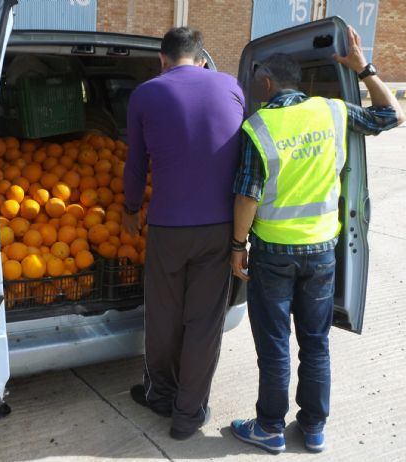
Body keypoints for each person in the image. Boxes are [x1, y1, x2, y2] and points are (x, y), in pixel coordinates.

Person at [229, 26, 405, 454]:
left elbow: (247, 195)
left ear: (267, 83)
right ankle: (313, 428)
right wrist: (363, 68)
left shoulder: (259, 126)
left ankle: (270, 427)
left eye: (257, 81)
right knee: (315, 343)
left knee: (274, 346)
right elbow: (393, 115)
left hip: (272, 255)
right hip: (323, 254)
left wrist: (237, 248)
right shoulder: (333, 112)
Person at [123, 26, 245, 440]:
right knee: (204, 323)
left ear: (162, 59)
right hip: (220, 228)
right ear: (203, 57)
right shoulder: (231, 86)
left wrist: (130, 209)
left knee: (163, 316)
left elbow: (136, 165)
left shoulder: (146, 93)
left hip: (167, 227)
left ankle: (160, 396)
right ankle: (188, 415)